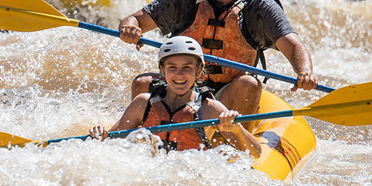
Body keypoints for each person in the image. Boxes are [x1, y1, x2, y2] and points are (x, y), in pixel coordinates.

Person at [117, 0, 318, 121]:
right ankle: (143, 138)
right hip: (181, 86)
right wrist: (130, 28)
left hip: (228, 96)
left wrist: (304, 72)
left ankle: (238, 145)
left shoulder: (260, 6)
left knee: (249, 84)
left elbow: (292, 44)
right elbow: (135, 20)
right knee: (143, 82)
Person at [89, 36, 262, 157]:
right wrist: (102, 136)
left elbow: (256, 153)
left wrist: (236, 130)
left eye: (187, 67)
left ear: (199, 72)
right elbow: (113, 141)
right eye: (172, 67)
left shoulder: (209, 108)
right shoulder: (143, 103)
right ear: (162, 72)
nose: (179, 74)